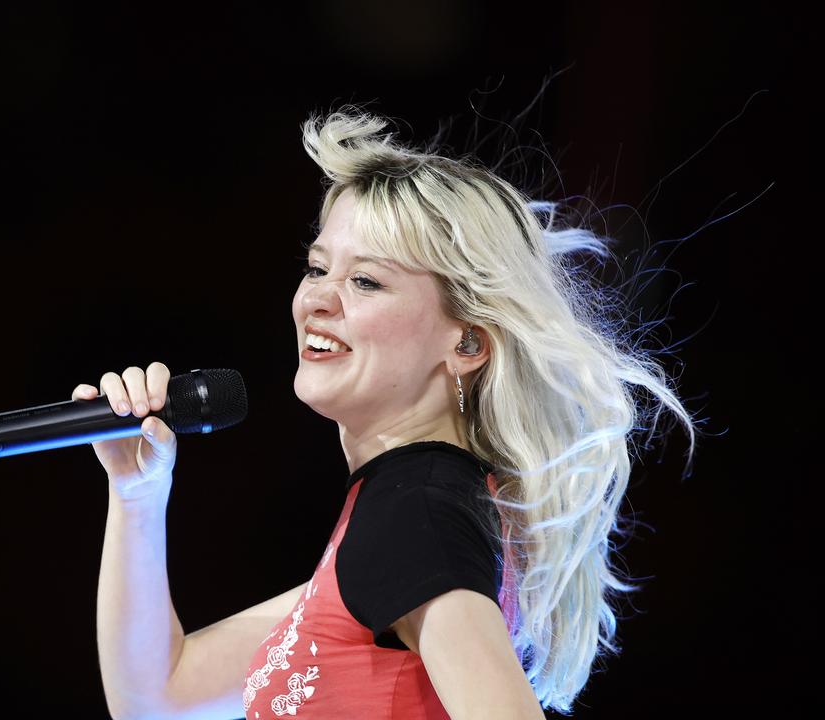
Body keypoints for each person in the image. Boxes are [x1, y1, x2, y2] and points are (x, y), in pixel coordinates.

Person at [82, 106, 699, 720]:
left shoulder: (416, 512)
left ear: (466, 344)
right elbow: (156, 697)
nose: (319, 299)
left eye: (367, 282)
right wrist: (138, 492)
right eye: (319, 268)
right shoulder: (403, 515)